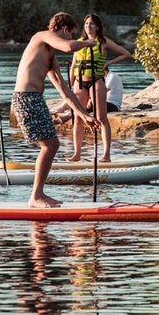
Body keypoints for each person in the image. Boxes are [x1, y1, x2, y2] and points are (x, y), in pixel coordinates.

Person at [11, 12, 99, 208]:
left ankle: (38, 194)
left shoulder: (50, 56)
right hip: (26, 98)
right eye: (71, 33)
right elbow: (68, 47)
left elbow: (65, 91)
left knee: (52, 145)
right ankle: (36, 196)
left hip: (34, 99)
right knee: (50, 145)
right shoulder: (42, 36)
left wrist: (84, 116)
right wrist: (87, 43)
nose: (70, 38)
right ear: (64, 29)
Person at [68, 14, 130, 163]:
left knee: (102, 118)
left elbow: (125, 54)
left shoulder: (103, 42)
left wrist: (108, 62)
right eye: (86, 24)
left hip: (96, 81)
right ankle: (77, 154)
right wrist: (69, 86)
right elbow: (73, 65)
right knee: (78, 118)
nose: (88, 26)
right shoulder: (79, 43)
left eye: (91, 24)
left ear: (97, 27)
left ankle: (106, 155)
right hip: (80, 82)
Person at [50, 67, 124, 124]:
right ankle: (63, 109)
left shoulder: (112, 77)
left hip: (112, 104)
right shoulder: (101, 78)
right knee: (78, 96)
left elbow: (101, 92)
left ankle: (68, 115)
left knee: (89, 102)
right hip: (103, 102)